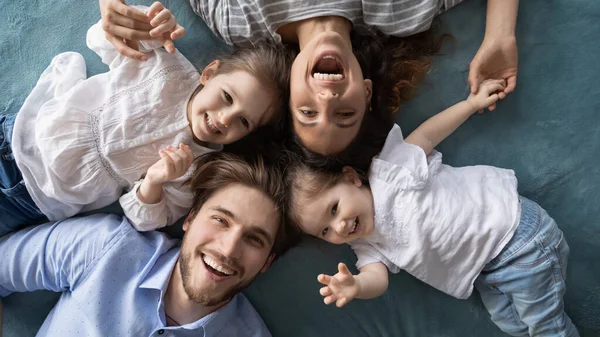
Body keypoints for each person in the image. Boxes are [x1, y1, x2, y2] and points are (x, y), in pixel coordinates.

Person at [285, 79, 579, 336]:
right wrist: (357, 286)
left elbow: (427, 135)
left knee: (546, 328)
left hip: (516, 236)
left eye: (334, 209)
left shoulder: (389, 173)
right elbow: (378, 278)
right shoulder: (368, 245)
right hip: (488, 274)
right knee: (513, 326)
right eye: (325, 231)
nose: (339, 227)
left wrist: (471, 103)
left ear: (351, 178)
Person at [0, 2, 292, 236]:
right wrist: (147, 24)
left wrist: (154, 180)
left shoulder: (198, 168)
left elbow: (146, 220)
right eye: (227, 97)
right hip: (19, 133)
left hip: (33, 201)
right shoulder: (165, 62)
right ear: (210, 73)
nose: (225, 119)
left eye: (243, 122)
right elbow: (99, 37)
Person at [98, 0, 519, 158]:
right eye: (344, 113)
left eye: (307, 110)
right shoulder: (402, 11)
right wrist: (500, 36)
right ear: (367, 90)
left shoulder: (240, 21)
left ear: (286, 93)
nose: (327, 95)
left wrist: (113, 8)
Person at [0, 151, 291, 337]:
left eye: (254, 239)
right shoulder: (102, 247)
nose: (228, 250)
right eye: (221, 220)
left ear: (267, 262)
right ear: (190, 218)